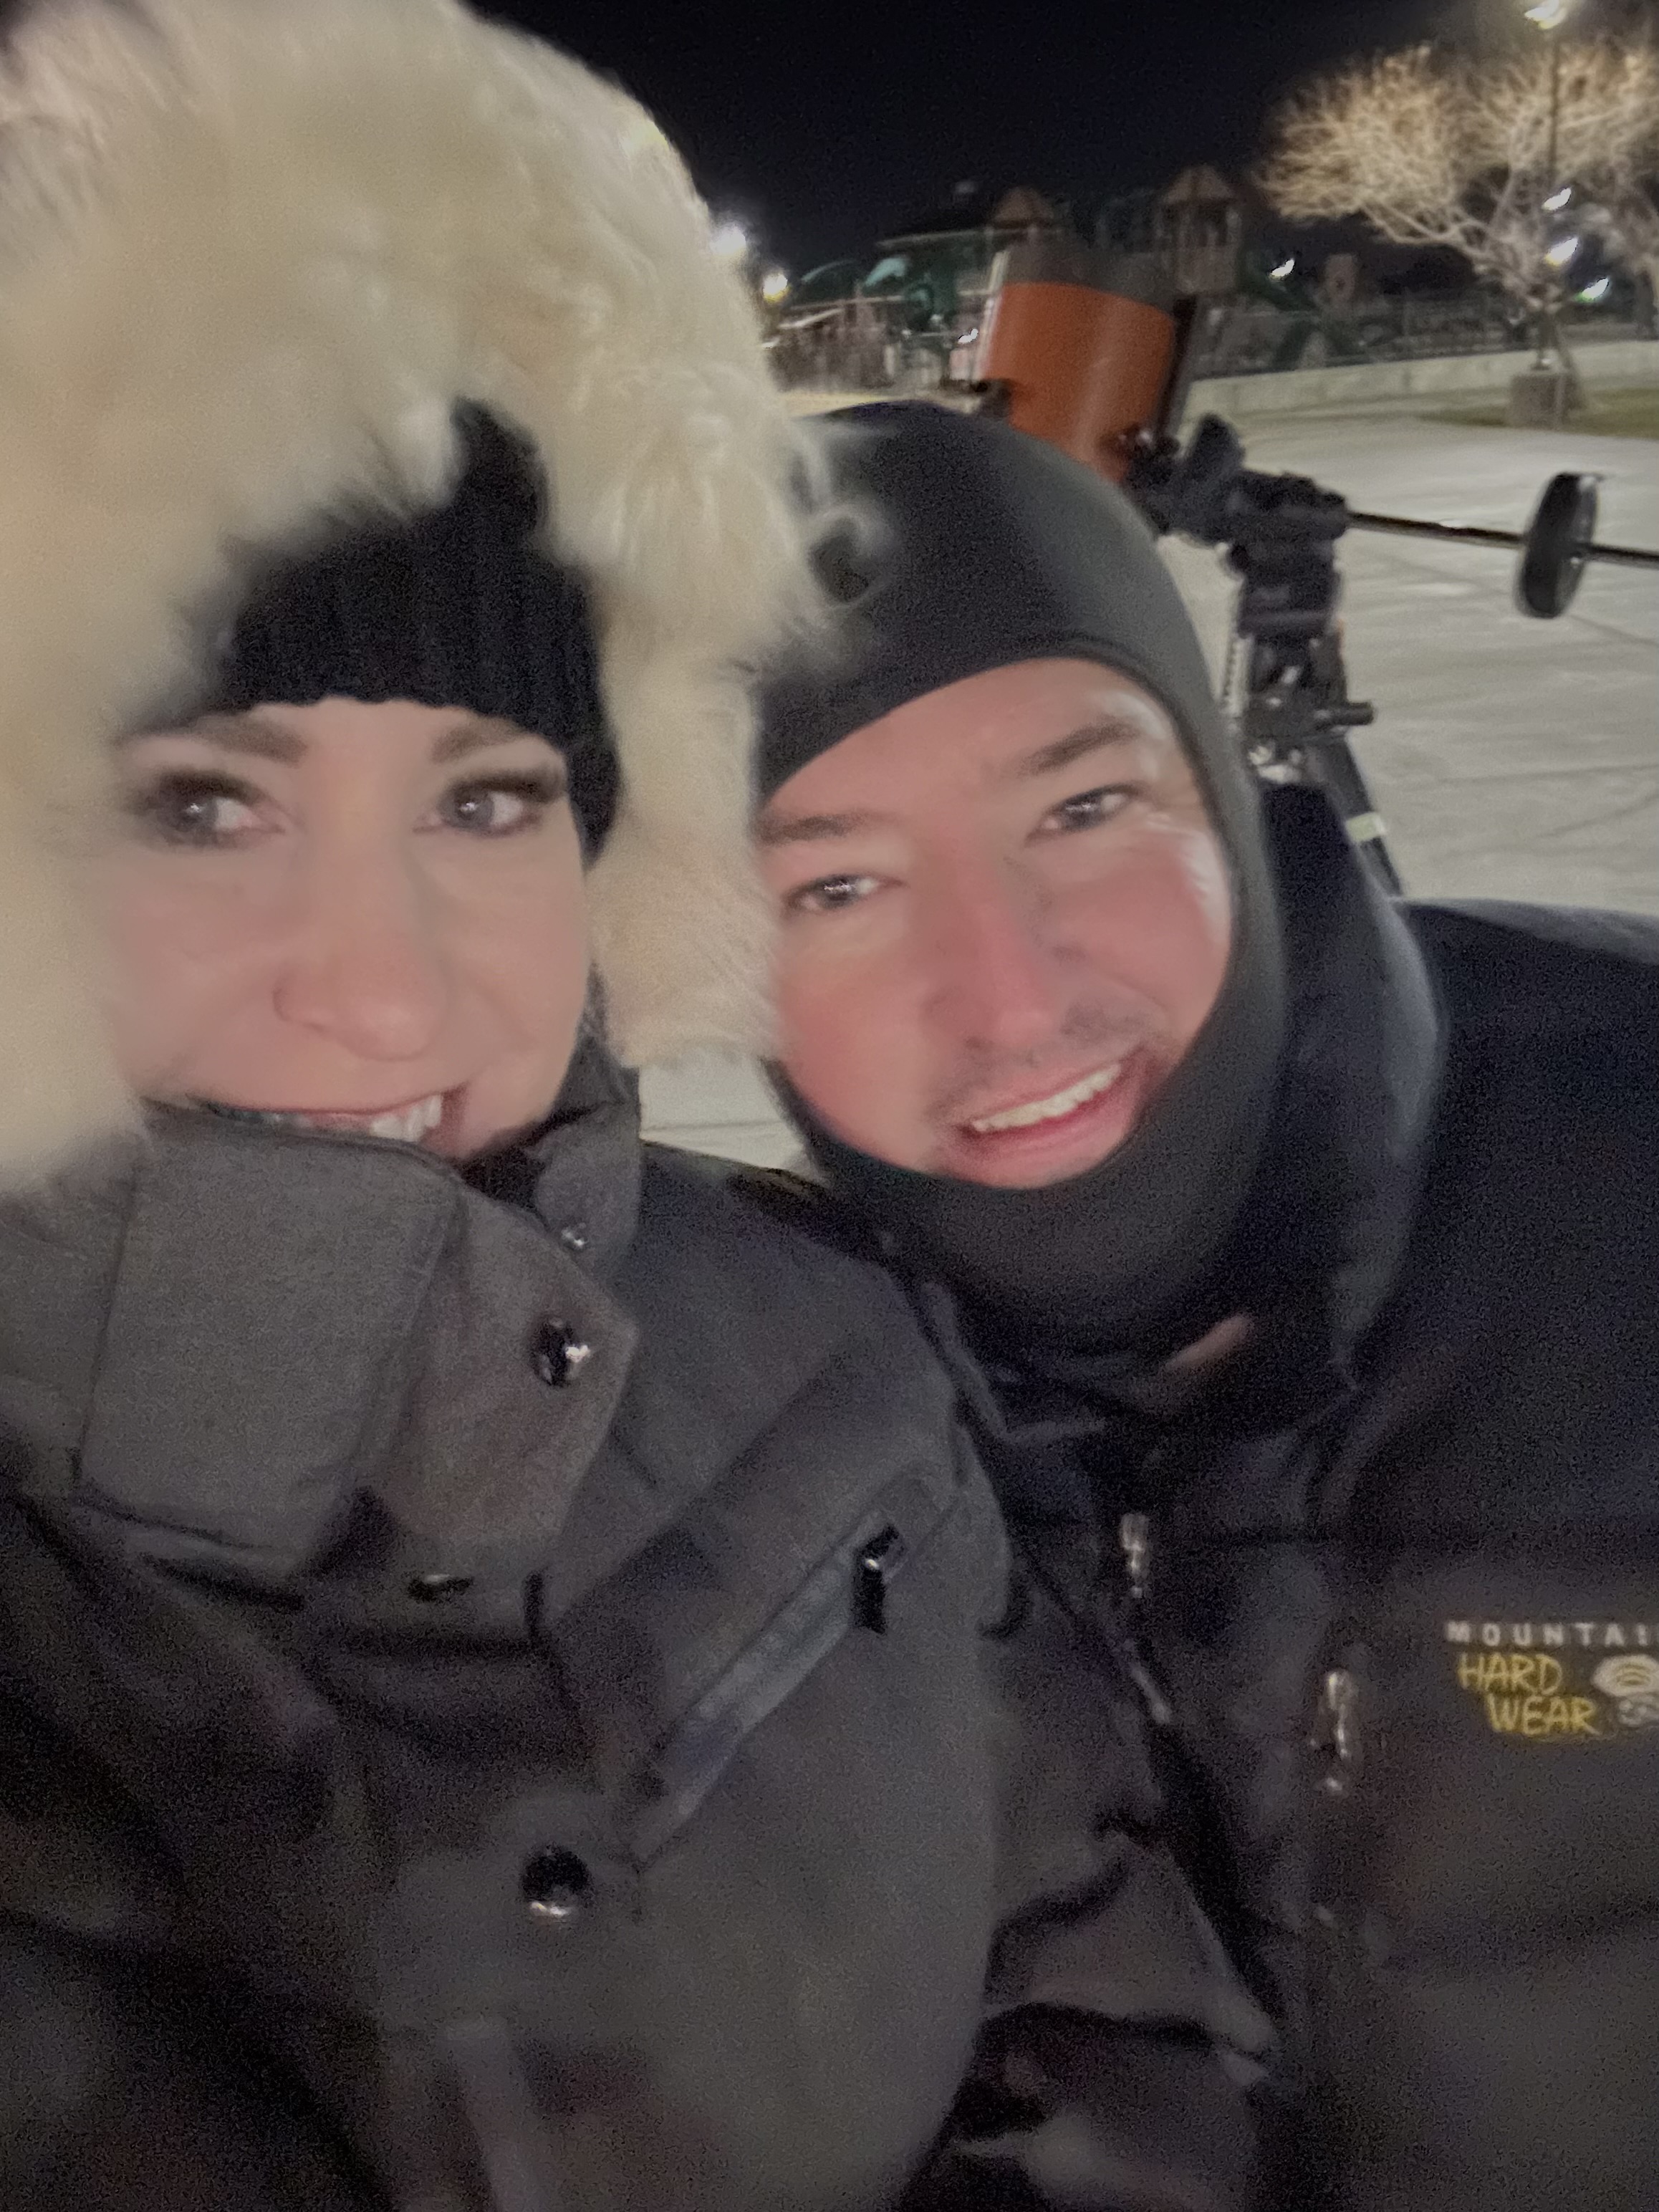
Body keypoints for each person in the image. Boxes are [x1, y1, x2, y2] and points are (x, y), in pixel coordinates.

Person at [0, 12, 1029, 2208]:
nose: (385, 987)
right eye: (200, 803)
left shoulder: (828, 1345)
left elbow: (1083, 1950)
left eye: (485, 798)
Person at [756, 399, 1659, 2212]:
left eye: (1085, 806)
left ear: (1227, 795)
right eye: (837, 883)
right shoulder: (733, 1431)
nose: (1010, 995)